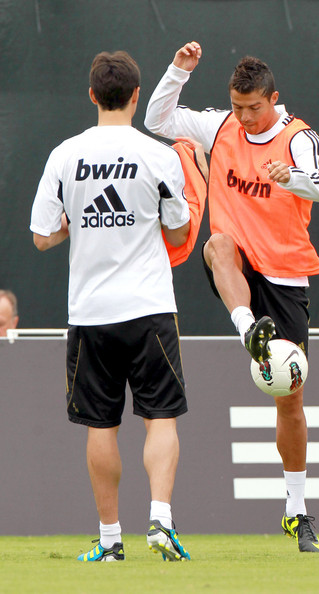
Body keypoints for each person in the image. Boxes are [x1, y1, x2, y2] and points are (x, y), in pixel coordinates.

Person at [145, 41, 319, 553]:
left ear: (274, 99)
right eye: (238, 106)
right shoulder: (222, 125)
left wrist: (290, 178)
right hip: (240, 268)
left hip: (288, 275)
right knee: (218, 244)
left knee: (289, 400)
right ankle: (247, 327)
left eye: (254, 107)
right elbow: (159, 119)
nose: (245, 117)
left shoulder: (298, 138)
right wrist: (178, 71)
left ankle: (296, 512)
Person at [29, 50, 204, 562]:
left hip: (90, 313)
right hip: (149, 307)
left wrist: (74, 226)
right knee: (161, 418)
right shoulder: (159, 155)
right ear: (134, 96)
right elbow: (177, 228)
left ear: (91, 95)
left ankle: (110, 542)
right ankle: (160, 520)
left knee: (101, 426)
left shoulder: (64, 154)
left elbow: (41, 236)